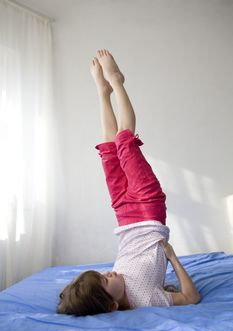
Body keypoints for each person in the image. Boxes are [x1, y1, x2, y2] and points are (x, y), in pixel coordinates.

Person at [57, 49, 200, 316]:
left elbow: (86, 294)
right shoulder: (145, 299)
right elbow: (191, 298)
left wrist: (101, 284)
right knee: (125, 142)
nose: (109, 272)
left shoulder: (115, 286)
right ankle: (117, 82)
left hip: (123, 216)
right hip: (148, 210)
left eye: (101, 274)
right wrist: (172, 258)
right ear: (112, 304)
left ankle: (103, 93)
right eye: (105, 280)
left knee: (109, 151)